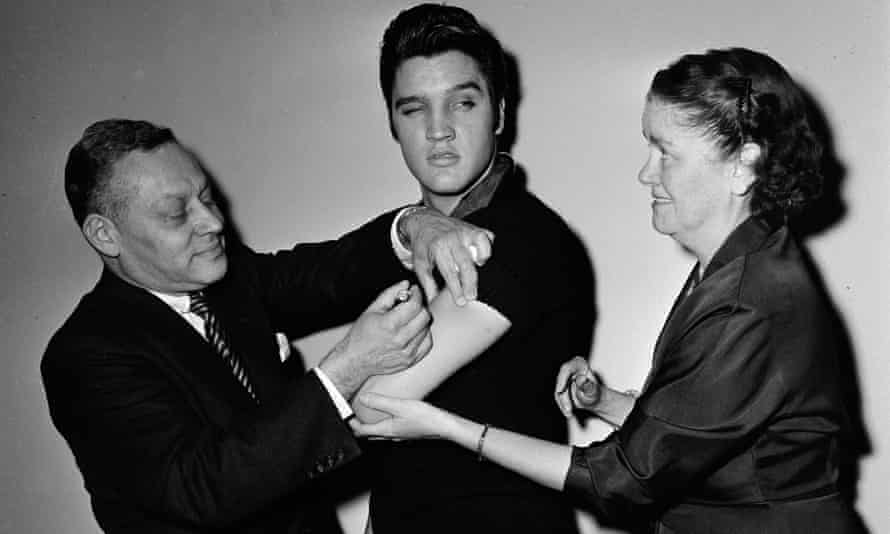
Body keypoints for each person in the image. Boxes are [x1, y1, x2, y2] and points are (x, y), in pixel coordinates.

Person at [352, 48, 865, 533]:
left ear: (743, 165)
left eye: (666, 153)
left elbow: (620, 481)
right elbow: (708, 433)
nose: (647, 173)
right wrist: (607, 403)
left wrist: (448, 426)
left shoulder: (746, 297)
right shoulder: (739, 264)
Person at [41, 118, 493, 533]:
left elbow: (325, 273)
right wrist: (346, 369)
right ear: (104, 235)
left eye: (206, 198)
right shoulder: (85, 354)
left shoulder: (228, 278)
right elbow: (202, 486)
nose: (213, 222)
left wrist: (415, 225)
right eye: (177, 214)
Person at [354, 4, 594, 533]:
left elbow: (371, 407)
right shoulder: (405, 245)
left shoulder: (523, 240)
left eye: (462, 103)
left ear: (500, 114)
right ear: (392, 123)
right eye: (414, 109)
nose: (438, 131)